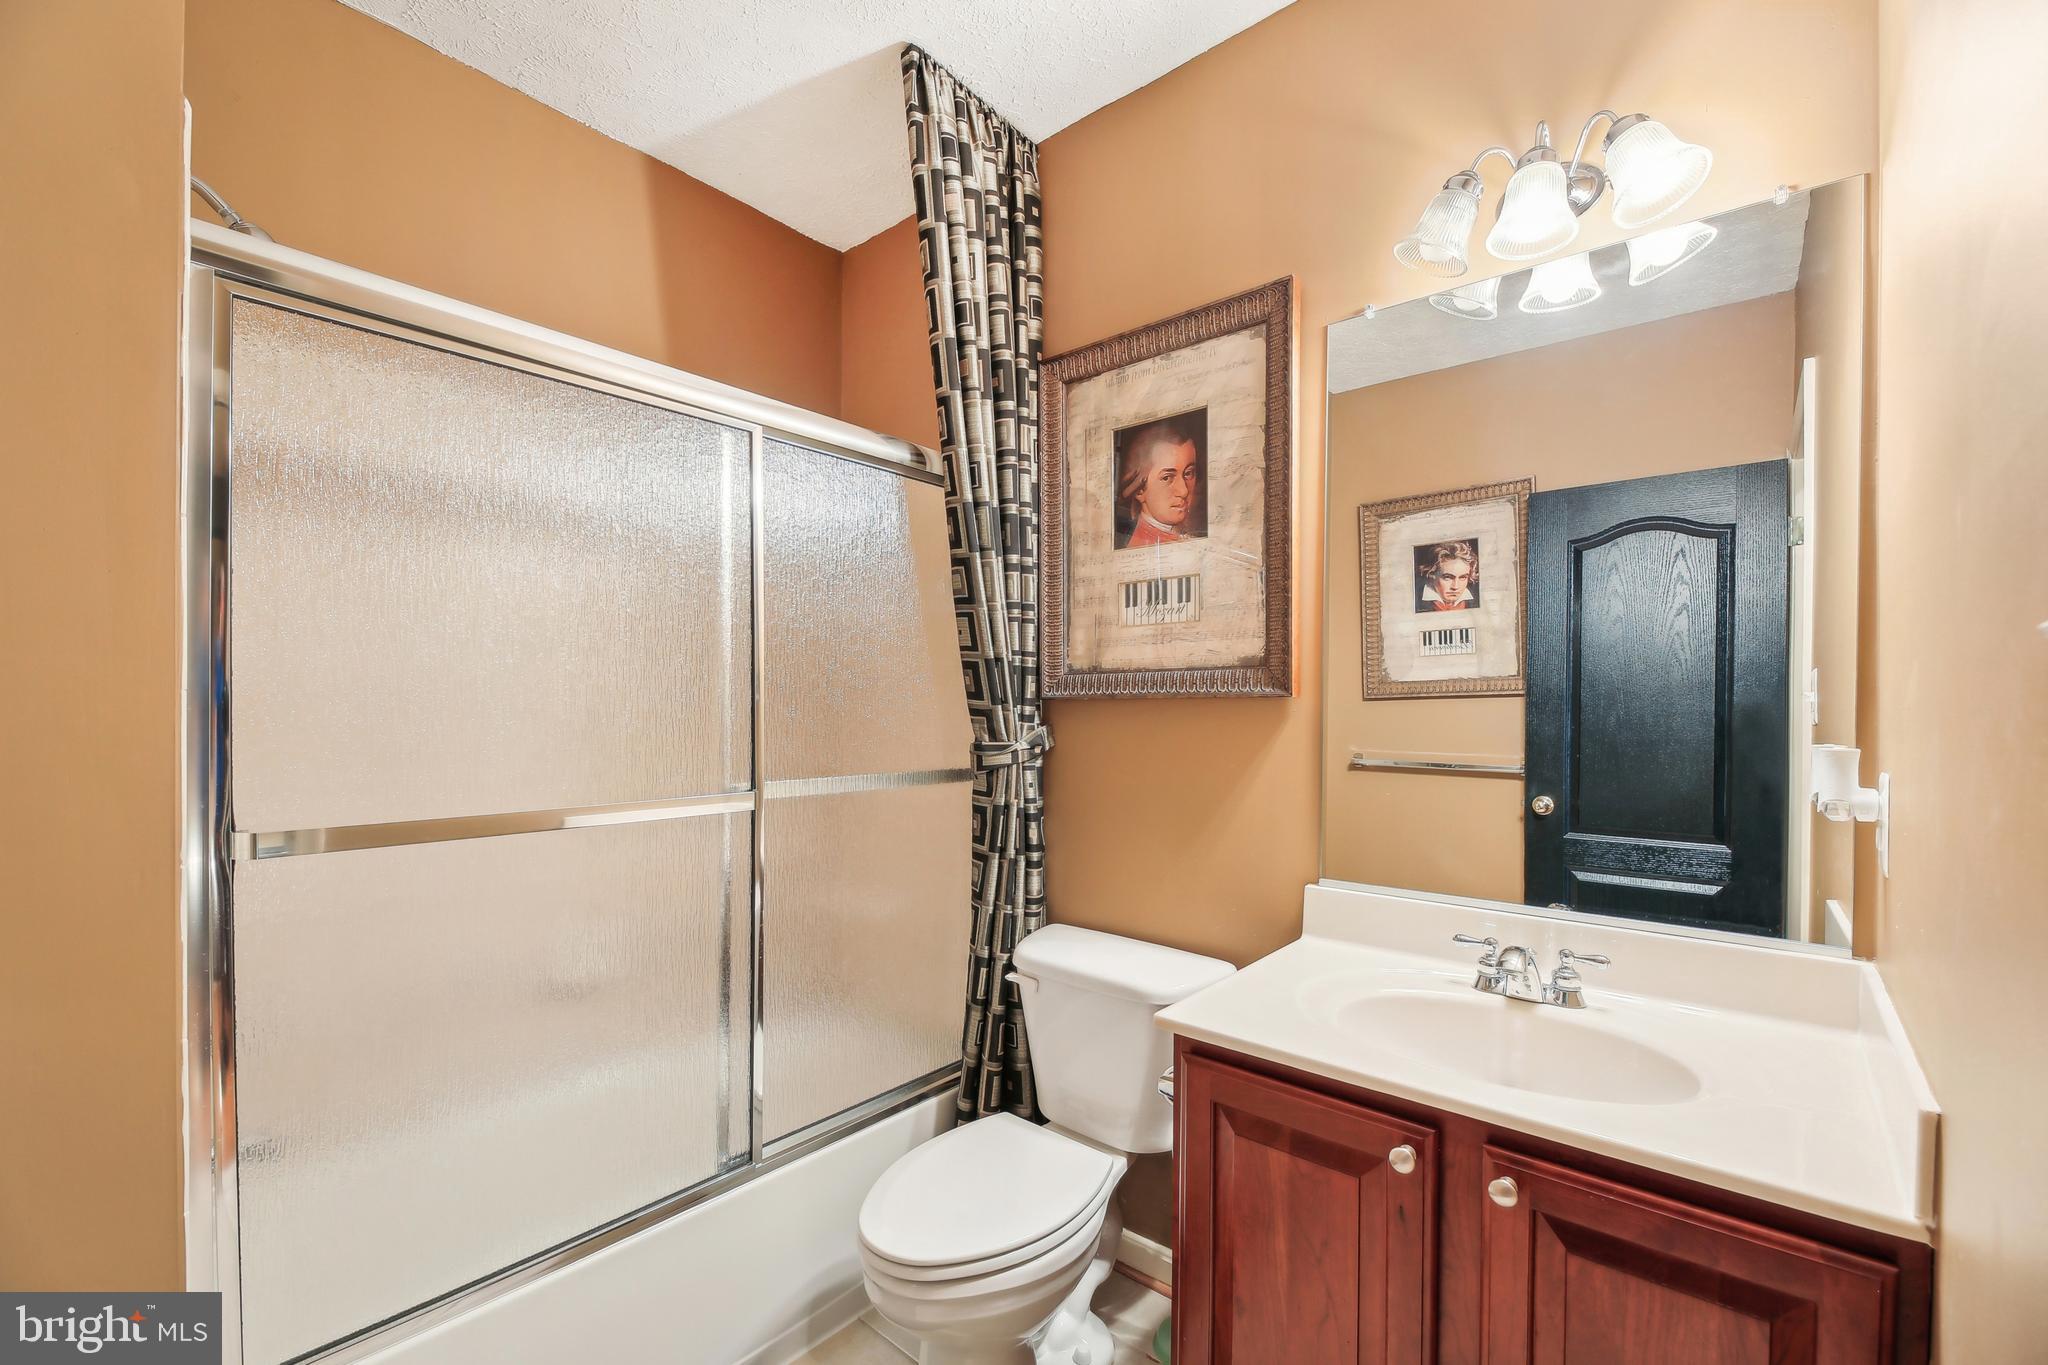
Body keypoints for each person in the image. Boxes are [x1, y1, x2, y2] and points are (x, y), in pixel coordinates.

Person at [1115, 420, 1201, 548]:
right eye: (1167, 478)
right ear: (1139, 490)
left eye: (1188, 473)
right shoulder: (1139, 546)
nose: (1184, 491)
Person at [1418, 540, 1479, 611]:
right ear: (1431, 574)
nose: (1455, 587)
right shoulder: (1415, 600)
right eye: (1448, 577)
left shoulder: (1477, 600)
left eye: (1463, 577)